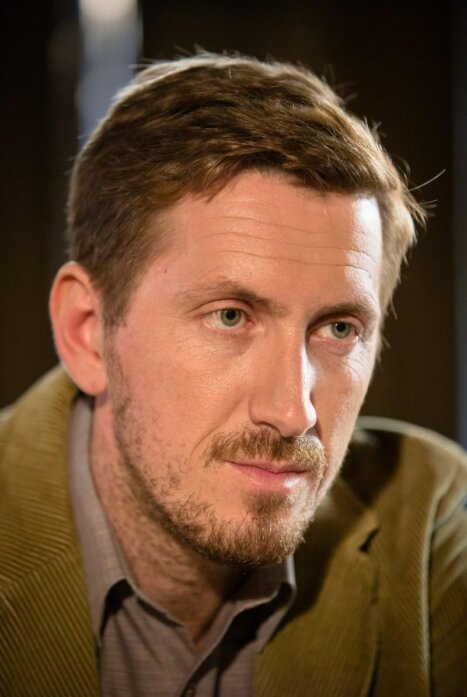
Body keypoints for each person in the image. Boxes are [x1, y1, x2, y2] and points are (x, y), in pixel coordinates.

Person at [1, 51, 466, 697]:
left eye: (338, 329)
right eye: (230, 316)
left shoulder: (428, 514)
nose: (293, 412)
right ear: (87, 332)